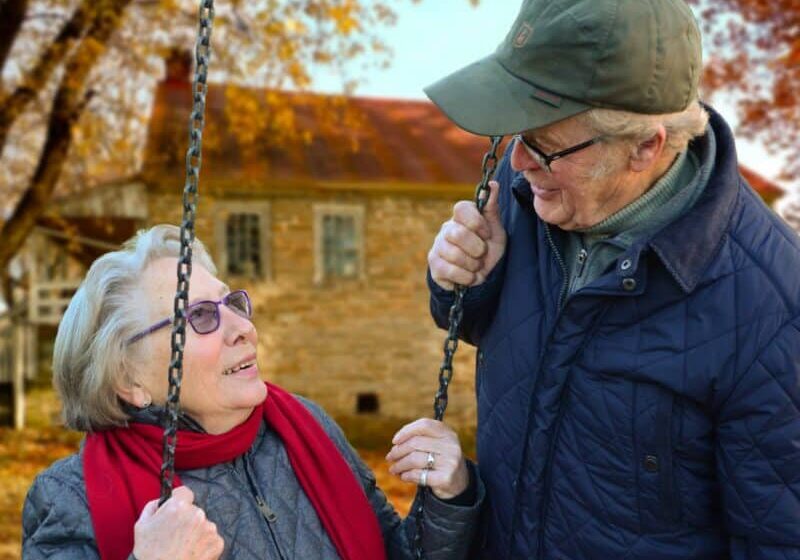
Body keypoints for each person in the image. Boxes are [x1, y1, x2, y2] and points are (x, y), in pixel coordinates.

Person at [424, 0, 800, 558]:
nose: (520, 161)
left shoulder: (774, 309)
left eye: (545, 146)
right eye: (514, 134)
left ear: (646, 147)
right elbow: (494, 334)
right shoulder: (531, 192)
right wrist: (464, 282)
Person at [22, 224, 483, 560]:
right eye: (201, 316)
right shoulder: (69, 497)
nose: (243, 328)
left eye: (232, 303)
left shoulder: (306, 427)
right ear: (129, 380)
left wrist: (449, 497)